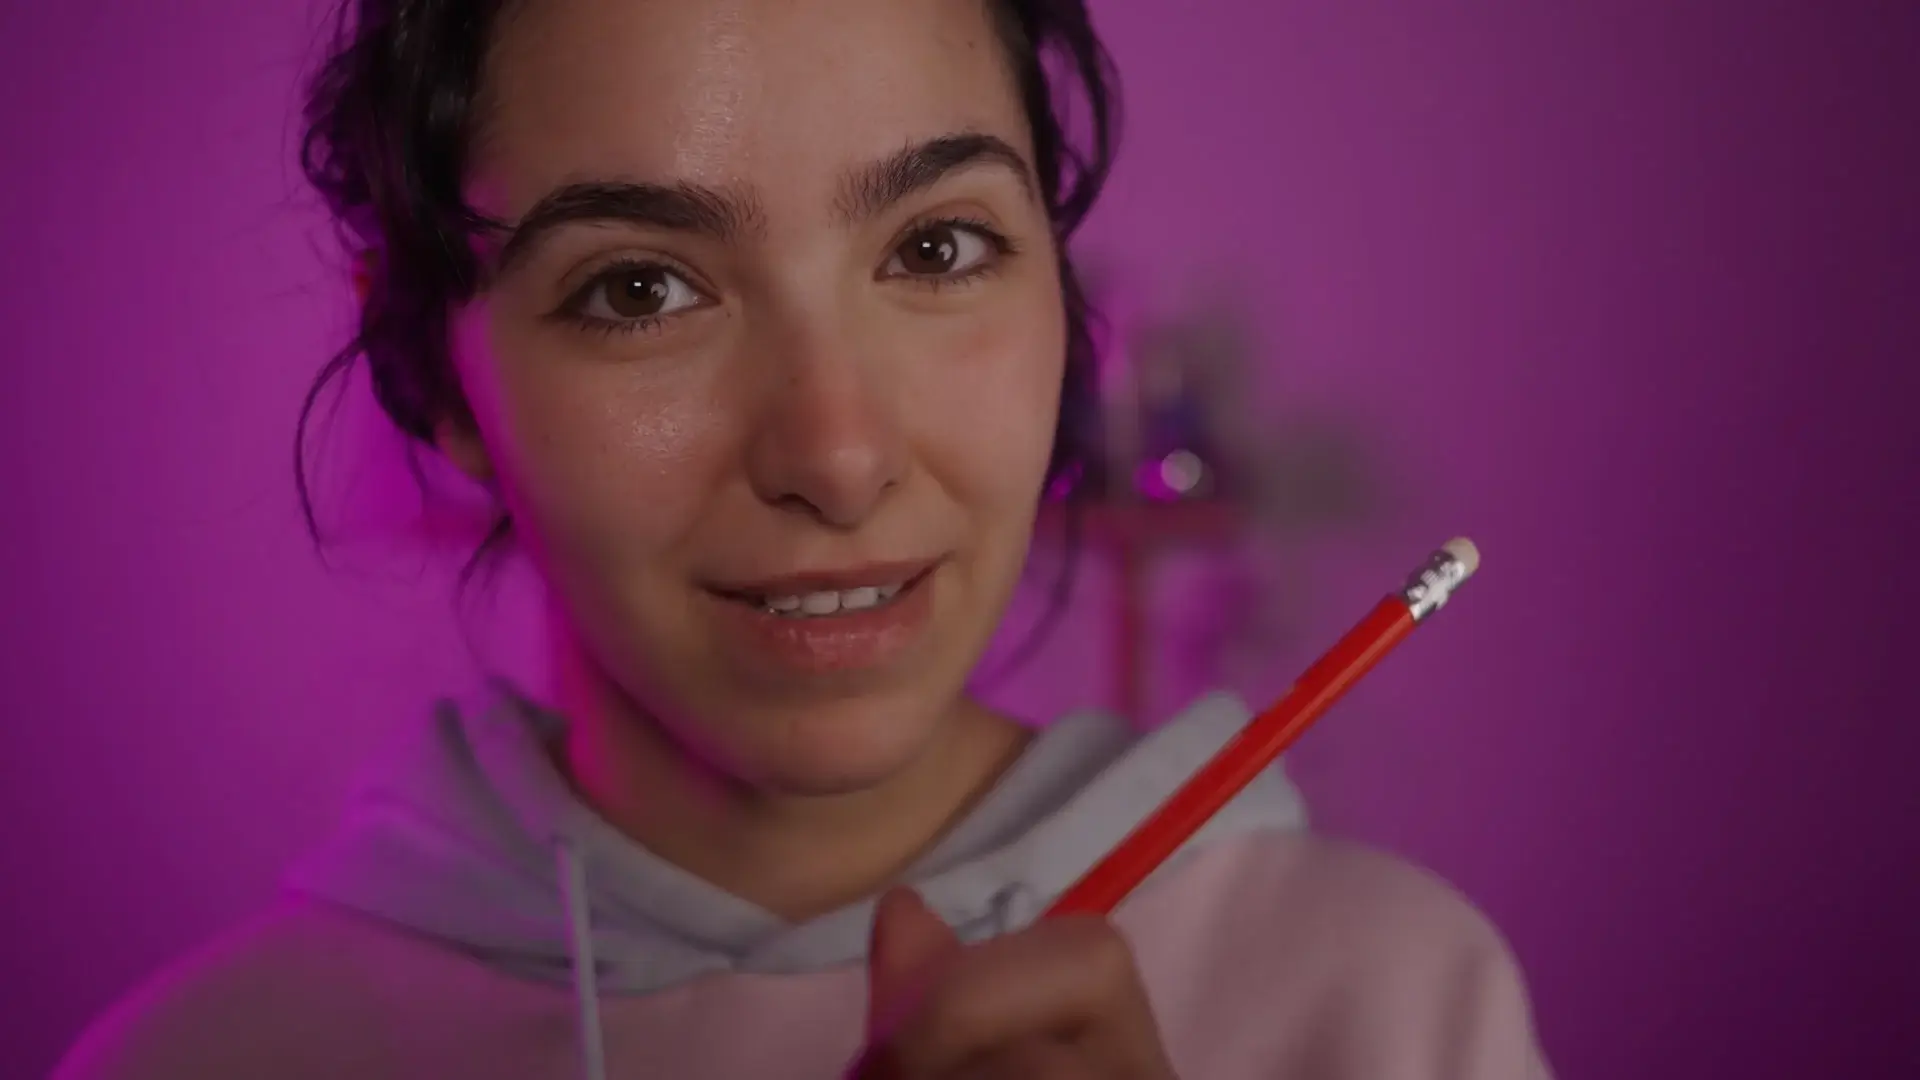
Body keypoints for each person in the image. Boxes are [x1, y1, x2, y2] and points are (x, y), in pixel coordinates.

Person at [54, 0, 1552, 1077]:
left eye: (938, 247)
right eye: (640, 289)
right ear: (437, 375)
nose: (837, 457)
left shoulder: (1390, 1008)